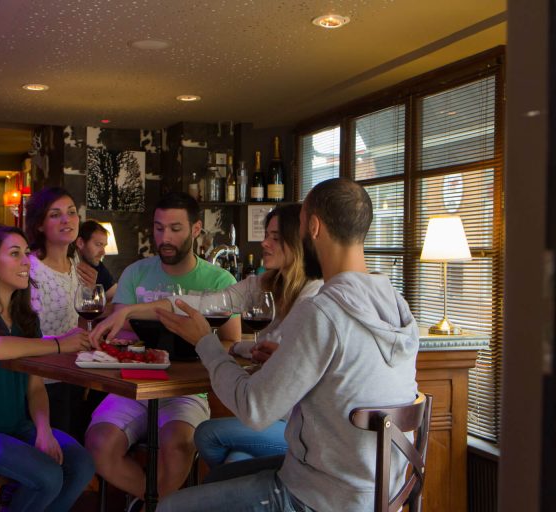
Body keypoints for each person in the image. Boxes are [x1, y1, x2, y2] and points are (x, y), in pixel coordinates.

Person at [154, 178, 420, 512]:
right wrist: (284, 359)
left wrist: (205, 342)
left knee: (169, 508)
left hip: (318, 496)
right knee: (216, 479)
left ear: (314, 226)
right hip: (381, 493)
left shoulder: (322, 310)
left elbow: (254, 410)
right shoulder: (396, 305)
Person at [91, 203, 323, 471]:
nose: (264, 243)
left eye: (275, 238)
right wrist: (130, 310)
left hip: (291, 421)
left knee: (208, 436)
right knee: (230, 469)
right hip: (264, 415)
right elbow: (198, 303)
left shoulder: (315, 299)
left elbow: (286, 354)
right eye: (266, 235)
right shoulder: (262, 285)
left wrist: (239, 346)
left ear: (298, 244)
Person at [84, 192, 240, 509]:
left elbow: (230, 341)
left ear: (196, 229)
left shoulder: (219, 279)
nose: (164, 238)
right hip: (133, 386)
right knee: (98, 443)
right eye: (158, 228)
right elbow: (121, 330)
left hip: (186, 391)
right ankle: (153, 502)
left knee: (178, 445)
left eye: (175, 228)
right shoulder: (136, 273)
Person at [0, 223, 94, 512]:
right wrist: (59, 343)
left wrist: (44, 429)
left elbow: (35, 387)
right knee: (48, 476)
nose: (26, 261)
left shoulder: (26, 319)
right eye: (15, 253)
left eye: (26, 253)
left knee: (82, 464)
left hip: (15, 428)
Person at [25, 187, 99, 441]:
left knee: (77, 447)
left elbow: (80, 323)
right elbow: (23, 333)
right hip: (39, 382)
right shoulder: (30, 269)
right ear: (40, 225)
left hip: (72, 375)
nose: (66, 220)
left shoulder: (78, 265)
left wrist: (90, 294)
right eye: (55, 214)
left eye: (71, 213)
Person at [76, 220, 118, 301]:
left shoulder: (98, 267)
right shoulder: (67, 265)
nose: (103, 252)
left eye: (104, 246)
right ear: (80, 243)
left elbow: (117, 298)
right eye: (98, 244)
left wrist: (92, 291)